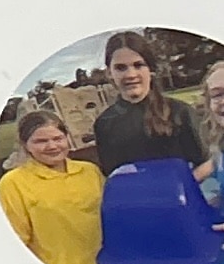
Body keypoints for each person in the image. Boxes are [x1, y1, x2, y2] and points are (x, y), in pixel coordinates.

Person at [0, 108, 110, 264]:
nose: (52, 146)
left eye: (58, 138)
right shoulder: (13, 184)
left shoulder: (89, 171)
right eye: (41, 141)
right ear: (26, 145)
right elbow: (15, 242)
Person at [87, 31, 208, 174]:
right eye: (120, 68)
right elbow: (113, 175)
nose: (131, 75)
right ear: (109, 73)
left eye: (138, 65)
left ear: (151, 69)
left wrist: (182, 184)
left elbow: (207, 163)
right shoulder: (104, 123)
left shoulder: (180, 112)